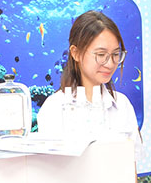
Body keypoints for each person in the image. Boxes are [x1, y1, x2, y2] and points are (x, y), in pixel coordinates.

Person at [36, 10, 140, 145]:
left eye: (115, 54)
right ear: (76, 53)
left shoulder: (122, 105)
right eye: (101, 55)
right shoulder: (54, 107)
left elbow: (134, 157)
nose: (110, 64)